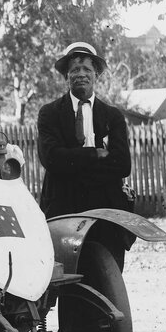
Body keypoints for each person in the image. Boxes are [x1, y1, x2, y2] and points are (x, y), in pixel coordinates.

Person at [37, 42, 132, 218]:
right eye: (75, 69)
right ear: (66, 75)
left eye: (87, 69)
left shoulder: (113, 116)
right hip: (62, 205)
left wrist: (72, 162)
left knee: (103, 247)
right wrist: (94, 154)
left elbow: (123, 165)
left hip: (105, 205)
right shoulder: (49, 113)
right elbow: (51, 159)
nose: (81, 74)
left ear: (96, 74)